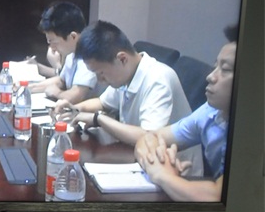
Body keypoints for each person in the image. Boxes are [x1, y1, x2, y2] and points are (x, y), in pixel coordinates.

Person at [134, 25, 237, 201]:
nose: (211, 77)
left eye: (225, 69)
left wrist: (162, 174)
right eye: (215, 67)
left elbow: (218, 196)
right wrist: (157, 157)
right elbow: (150, 137)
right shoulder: (210, 111)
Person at [54, 20, 190, 145]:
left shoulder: (158, 79)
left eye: (101, 73)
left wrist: (98, 119)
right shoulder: (126, 74)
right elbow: (102, 103)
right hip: (138, 154)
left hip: (175, 161)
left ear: (122, 59)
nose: (100, 80)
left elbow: (149, 137)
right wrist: (74, 109)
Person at [28, 2, 100, 105]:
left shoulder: (89, 57)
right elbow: (61, 81)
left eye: (54, 42)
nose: (52, 47)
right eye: (49, 42)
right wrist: (29, 88)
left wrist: (57, 93)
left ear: (73, 36)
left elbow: (75, 96)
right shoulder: (71, 54)